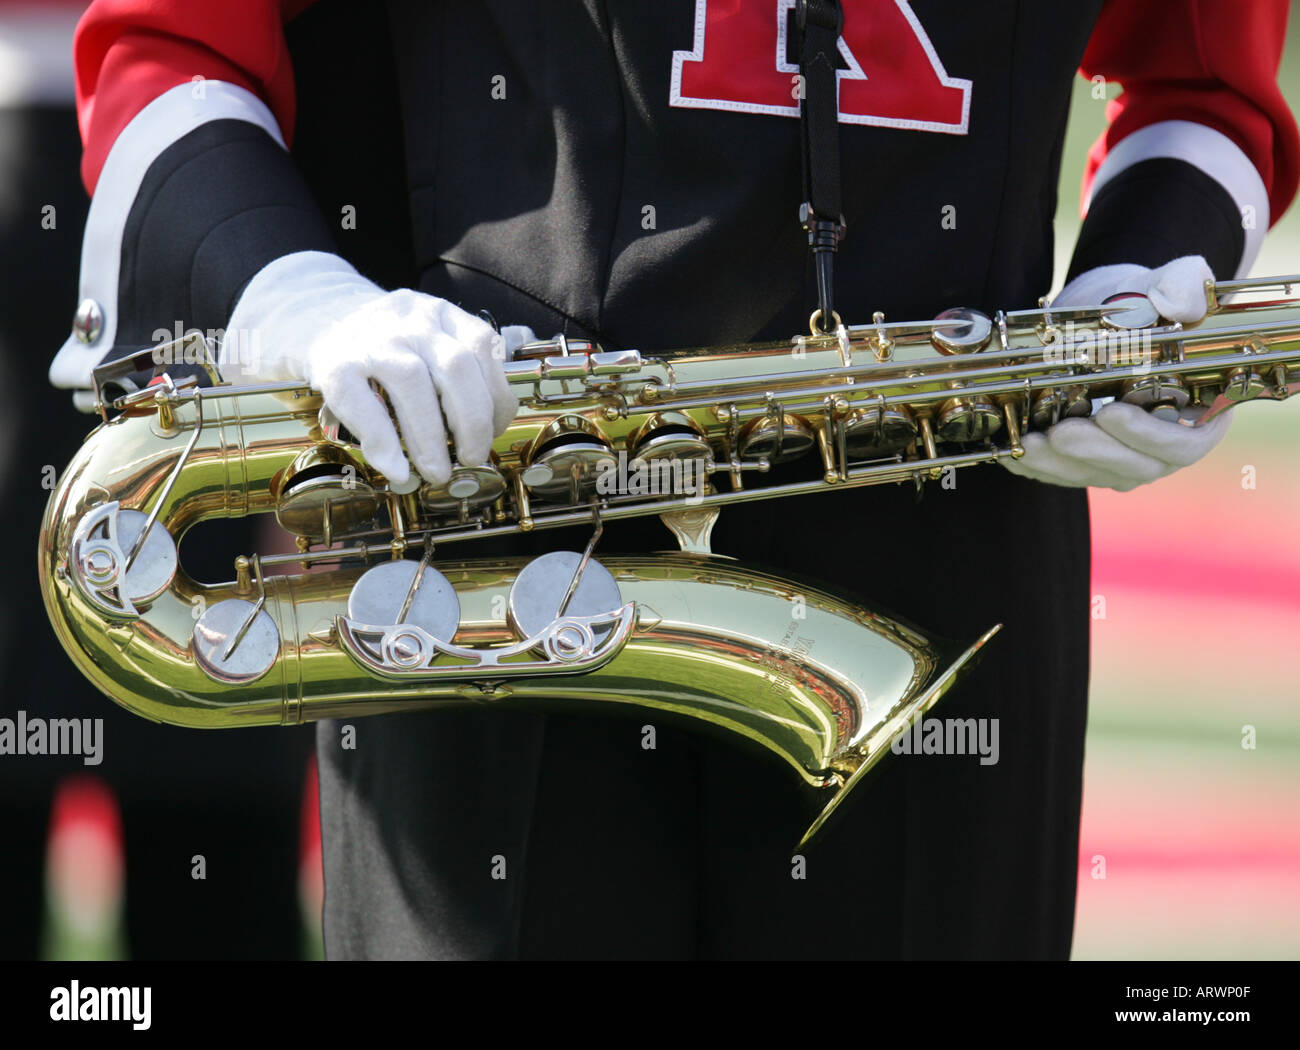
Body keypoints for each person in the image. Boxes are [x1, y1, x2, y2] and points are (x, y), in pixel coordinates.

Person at [51, 0, 1298, 959]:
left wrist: (1137, 285)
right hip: (480, 508)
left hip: (950, 514)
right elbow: (169, 43)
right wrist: (298, 300)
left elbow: (1204, 77)